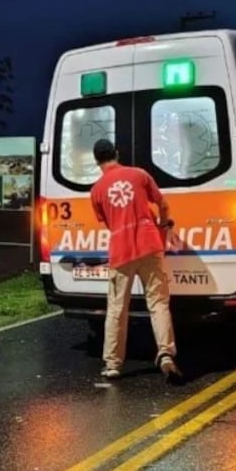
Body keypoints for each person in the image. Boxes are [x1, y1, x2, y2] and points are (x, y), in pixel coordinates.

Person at [89, 139, 184, 383]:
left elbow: (108, 222)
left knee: (117, 308)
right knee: (158, 303)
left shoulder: (97, 190)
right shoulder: (139, 175)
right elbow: (163, 203)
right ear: (117, 153)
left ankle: (112, 364)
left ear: (96, 160)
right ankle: (165, 354)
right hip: (150, 245)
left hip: (121, 252)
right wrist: (165, 225)